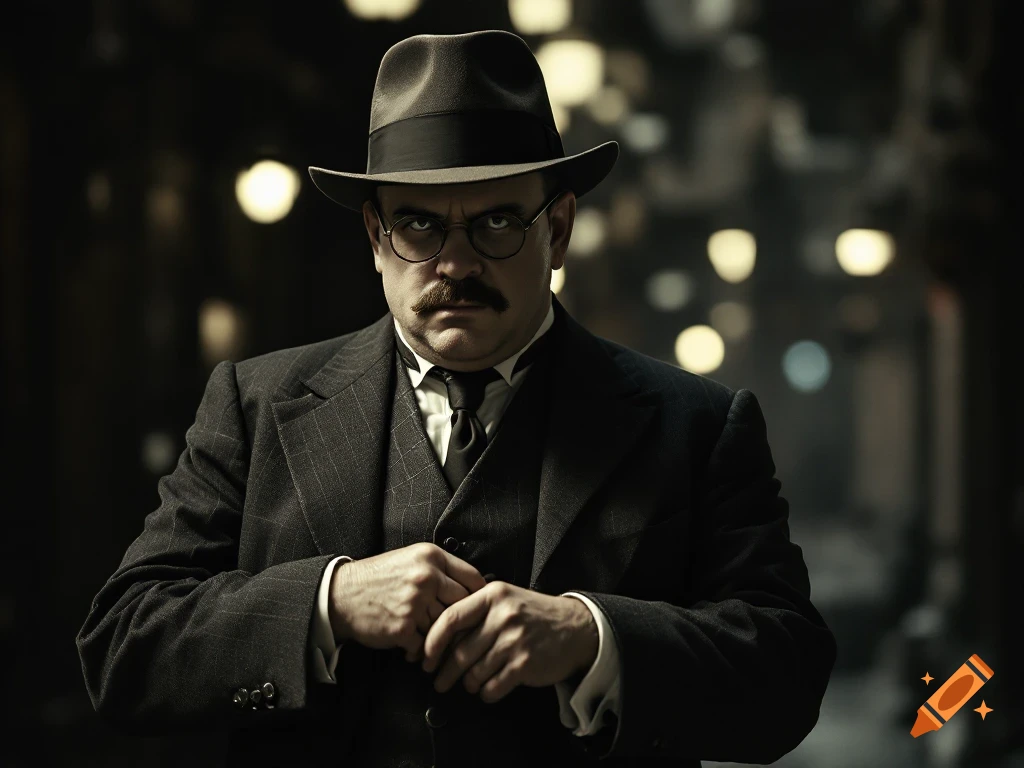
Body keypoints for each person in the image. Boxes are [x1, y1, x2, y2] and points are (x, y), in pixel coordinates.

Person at [76, 29, 836, 768]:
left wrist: (594, 635)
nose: (456, 263)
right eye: (418, 225)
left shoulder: (695, 425)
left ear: (560, 230)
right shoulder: (254, 405)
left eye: (498, 222)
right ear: (376, 238)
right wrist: (329, 601)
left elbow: (787, 679)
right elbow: (123, 650)